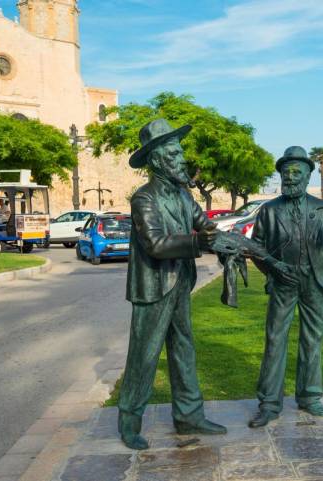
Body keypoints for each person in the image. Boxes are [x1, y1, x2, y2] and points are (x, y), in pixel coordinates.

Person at [117, 119, 228, 450]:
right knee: (144, 354)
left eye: (180, 151)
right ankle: (129, 421)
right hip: (153, 286)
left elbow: (204, 225)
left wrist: (221, 239)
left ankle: (189, 416)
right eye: (175, 153)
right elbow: (155, 244)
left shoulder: (182, 195)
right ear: (157, 160)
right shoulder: (144, 199)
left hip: (179, 282)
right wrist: (200, 244)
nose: (182, 158)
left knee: (183, 349)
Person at [247, 146, 323, 428]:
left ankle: (309, 396)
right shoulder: (269, 210)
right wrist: (272, 269)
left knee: (312, 341)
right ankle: (269, 403)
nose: (291, 177)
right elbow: (255, 247)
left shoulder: (322, 208)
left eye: (297, 172)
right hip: (284, 282)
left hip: (315, 282)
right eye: (286, 172)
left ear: (308, 177)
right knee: (275, 340)